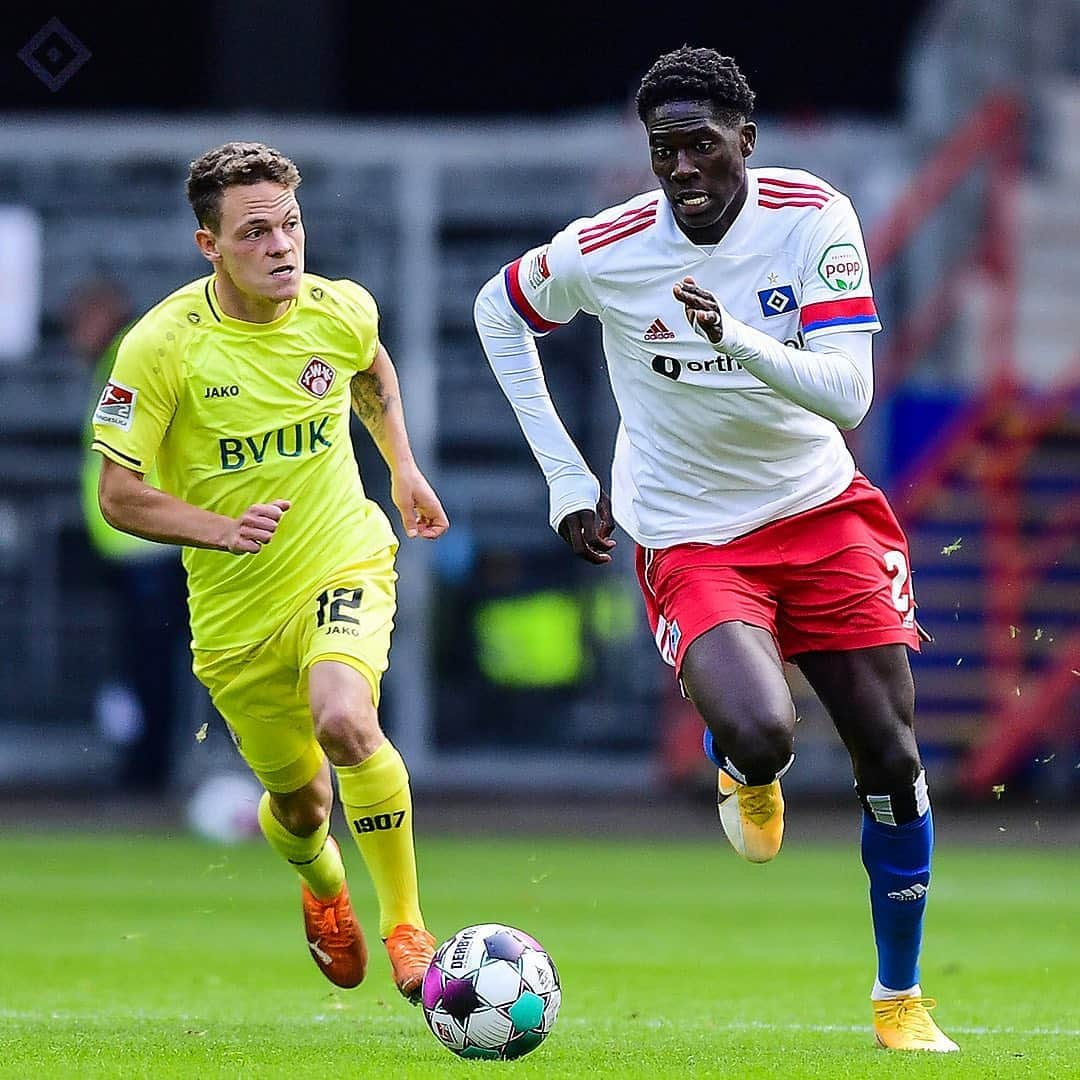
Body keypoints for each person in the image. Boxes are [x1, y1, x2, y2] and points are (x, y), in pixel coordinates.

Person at [474, 47, 957, 1052]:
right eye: (664, 152)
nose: (684, 170)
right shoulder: (609, 247)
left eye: (702, 146)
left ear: (746, 141)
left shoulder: (812, 216)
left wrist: (733, 337)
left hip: (820, 512)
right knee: (765, 733)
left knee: (892, 756)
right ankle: (743, 761)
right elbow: (498, 309)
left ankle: (899, 1001)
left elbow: (850, 393)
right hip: (694, 533)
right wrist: (566, 473)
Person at [91, 142, 449, 1001]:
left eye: (290, 224)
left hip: (341, 554)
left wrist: (400, 466)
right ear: (208, 245)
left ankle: (408, 928)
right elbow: (117, 496)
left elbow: (369, 364)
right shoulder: (160, 348)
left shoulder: (338, 309)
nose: (283, 246)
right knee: (300, 809)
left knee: (345, 719)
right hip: (235, 617)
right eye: (255, 233)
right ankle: (324, 889)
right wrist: (219, 528)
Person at [68, 278, 189, 793]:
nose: (77, 334)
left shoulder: (128, 355)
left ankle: (151, 770)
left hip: (150, 541)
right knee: (149, 663)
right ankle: (152, 763)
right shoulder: (119, 357)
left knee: (155, 663)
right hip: (135, 543)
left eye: (84, 319)